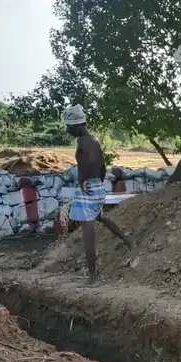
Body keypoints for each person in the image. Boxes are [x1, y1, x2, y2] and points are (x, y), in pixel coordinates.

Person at [63, 105, 131, 282]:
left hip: (87, 188)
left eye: (68, 127)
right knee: (101, 217)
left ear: (77, 126)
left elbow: (89, 162)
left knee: (88, 235)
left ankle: (93, 277)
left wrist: (83, 180)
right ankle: (126, 240)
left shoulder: (82, 143)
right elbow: (101, 167)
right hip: (97, 187)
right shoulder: (94, 141)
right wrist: (97, 183)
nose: (67, 130)